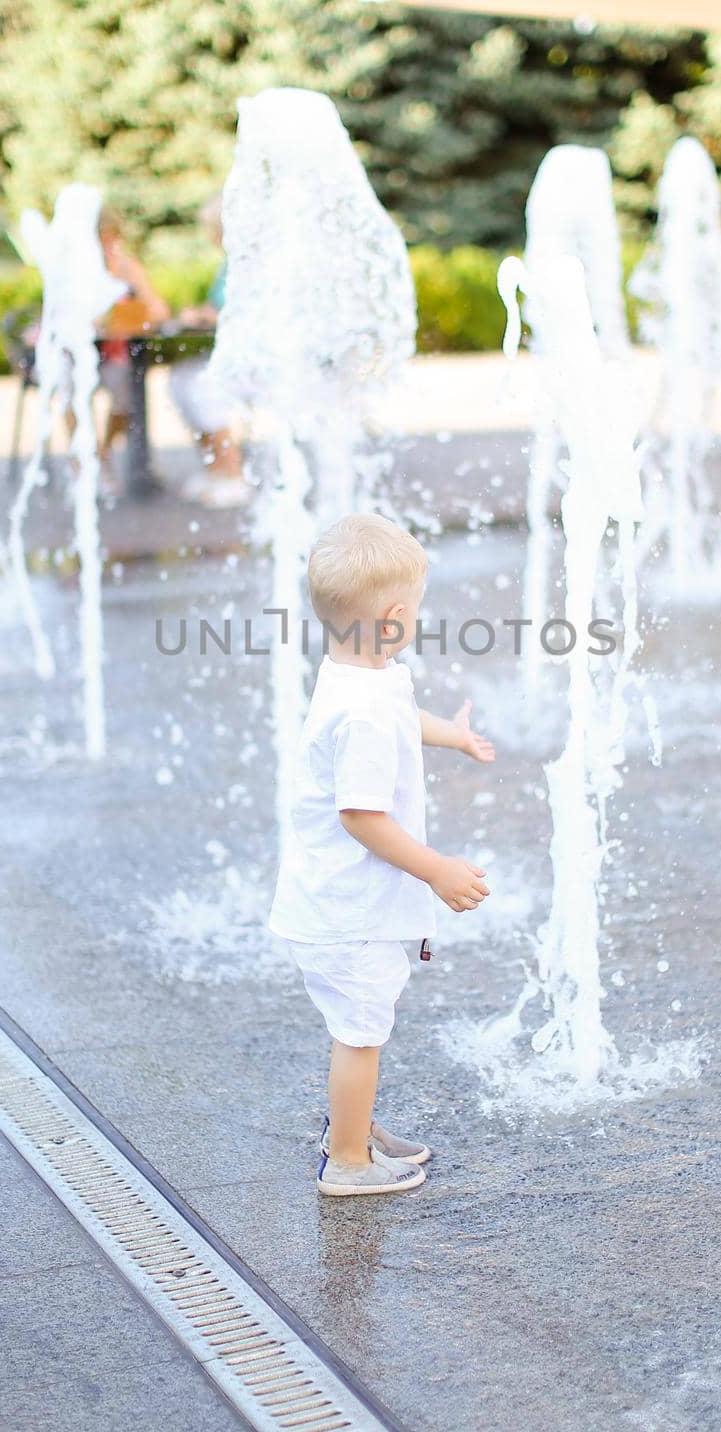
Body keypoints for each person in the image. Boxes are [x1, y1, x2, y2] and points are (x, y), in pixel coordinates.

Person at [270, 512, 496, 1198]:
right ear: (395, 616)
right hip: (348, 912)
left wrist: (449, 735)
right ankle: (346, 1160)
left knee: (361, 1028)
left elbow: (400, 716)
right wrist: (436, 870)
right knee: (360, 1034)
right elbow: (361, 817)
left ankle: (354, 1127)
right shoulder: (362, 711)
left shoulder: (361, 676)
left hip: (344, 904)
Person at [168, 198, 253, 507]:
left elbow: (252, 314)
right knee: (180, 380)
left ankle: (234, 474)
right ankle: (214, 467)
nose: (208, 235)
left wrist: (209, 317)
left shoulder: (252, 263)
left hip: (256, 360)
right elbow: (221, 306)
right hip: (230, 354)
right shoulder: (228, 264)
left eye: (210, 228)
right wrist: (203, 312)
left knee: (204, 387)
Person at [96, 208, 172, 491]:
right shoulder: (74, 269)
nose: (110, 245)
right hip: (75, 356)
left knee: (125, 389)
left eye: (114, 238)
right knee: (67, 386)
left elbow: (160, 310)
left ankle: (101, 453)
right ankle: (88, 462)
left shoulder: (125, 267)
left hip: (113, 353)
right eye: (105, 239)